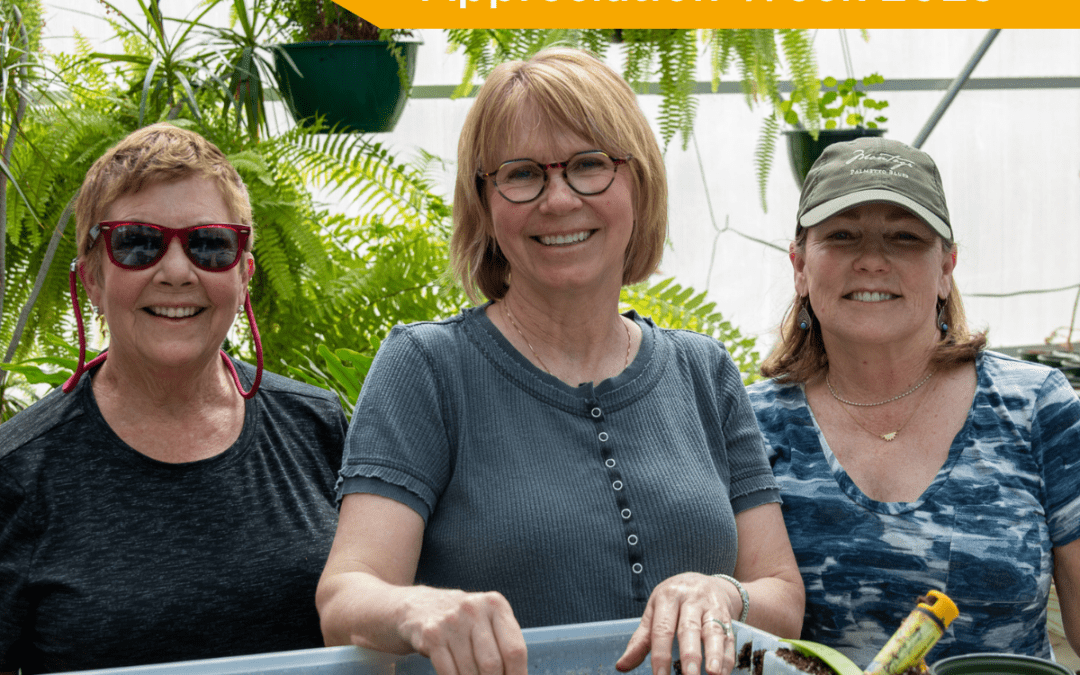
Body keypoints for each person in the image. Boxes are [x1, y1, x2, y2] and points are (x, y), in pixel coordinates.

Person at [316, 48, 804, 675]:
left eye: (588, 165)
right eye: (522, 174)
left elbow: (780, 594)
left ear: (639, 180)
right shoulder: (429, 366)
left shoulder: (702, 371)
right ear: (485, 203)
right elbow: (347, 593)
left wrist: (724, 593)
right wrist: (416, 610)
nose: (558, 199)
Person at [0, 123, 347, 674]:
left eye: (210, 245)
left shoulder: (316, 426)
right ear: (92, 276)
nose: (178, 272)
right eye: (138, 243)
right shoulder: (20, 470)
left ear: (244, 275)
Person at [747, 137, 1080, 665]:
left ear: (946, 266)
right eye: (842, 235)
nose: (873, 260)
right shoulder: (749, 425)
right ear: (800, 266)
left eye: (904, 237)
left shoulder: (1037, 408)